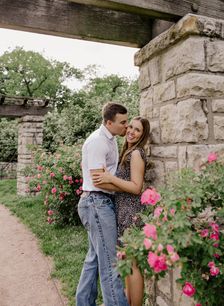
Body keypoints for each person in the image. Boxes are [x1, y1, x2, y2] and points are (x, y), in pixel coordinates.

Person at [92, 116, 150, 306]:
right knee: (125, 262)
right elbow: (124, 186)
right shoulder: (128, 151)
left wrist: (110, 178)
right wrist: (107, 182)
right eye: (130, 127)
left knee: (132, 264)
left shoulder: (136, 154)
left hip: (131, 214)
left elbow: (136, 187)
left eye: (137, 130)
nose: (131, 131)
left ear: (143, 135)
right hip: (122, 211)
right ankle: (125, 300)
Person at [76, 102, 129, 306]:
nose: (126, 126)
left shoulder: (111, 138)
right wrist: (129, 187)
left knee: (94, 259)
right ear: (109, 122)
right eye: (122, 122)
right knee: (110, 263)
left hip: (97, 202)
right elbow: (99, 179)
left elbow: (107, 176)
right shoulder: (98, 141)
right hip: (96, 203)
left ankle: (83, 302)